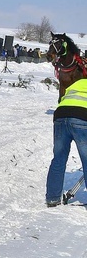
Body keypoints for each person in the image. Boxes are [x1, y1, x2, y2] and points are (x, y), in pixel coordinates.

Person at [45, 79, 87, 207]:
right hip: (81, 118)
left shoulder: (77, 83)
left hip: (60, 117)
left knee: (59, 158)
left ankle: (52, 198)